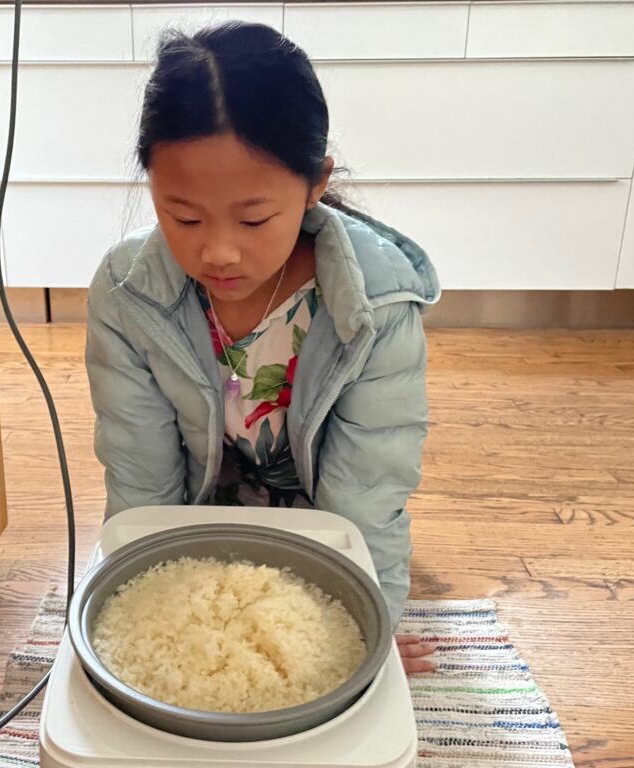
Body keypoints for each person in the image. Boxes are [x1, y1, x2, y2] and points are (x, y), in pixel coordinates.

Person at [85, 22, 441, 673]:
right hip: (201, 524)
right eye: (184, 217)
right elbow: (141, 483)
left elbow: (366, 493)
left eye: (254, 220)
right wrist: (139, 621)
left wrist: (367, 632)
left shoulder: (376, 307)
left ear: (314, 184)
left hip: (320, 526)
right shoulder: (126, 294)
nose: (218, 251)